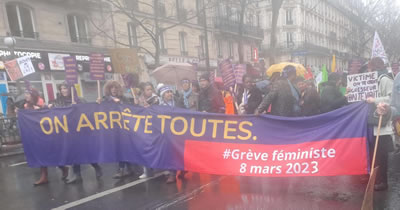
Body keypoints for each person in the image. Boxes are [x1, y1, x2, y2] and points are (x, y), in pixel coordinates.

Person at [50, 83, 103, 184]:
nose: (64, 90)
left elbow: (89, 111)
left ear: (71, 89)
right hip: (68, 132)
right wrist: (50, 107)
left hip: (80, 130)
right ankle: (77, 175)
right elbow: (56, 114)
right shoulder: (58, 102)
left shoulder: (80, 100)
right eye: (62, 89)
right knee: (74, 154)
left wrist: (96, 103)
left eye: (65, 88)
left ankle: (97, 167)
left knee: (86, 152)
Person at [21, 88, 69, 186]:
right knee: (40, 155)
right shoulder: (26, 106)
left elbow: (48, 114)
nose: (26, 96)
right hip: (35, 134)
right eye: (25, 94)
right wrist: (20, 112)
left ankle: (63, 168)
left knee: (51, 153)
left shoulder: (40, 103)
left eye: (27, 94)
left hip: (46, 134)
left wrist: (42, 108)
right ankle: (44, 176)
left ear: (32, 95)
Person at [365, 57, 394, 191]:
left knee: (381, 155)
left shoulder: (384, 79)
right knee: (375, 154)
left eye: (369, 68)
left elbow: (391, 98)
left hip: (382, 125)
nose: (368, 70)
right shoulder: (372, 80)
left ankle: (383, 181)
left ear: (374, 67)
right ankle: (377, 179)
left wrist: (374, 100)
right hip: (373, 124)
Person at [98, 81, 135, 179]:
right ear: (108, 89)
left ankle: (121, 169)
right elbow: (99, 110)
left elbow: (130, 109)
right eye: (112, 88)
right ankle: (129, 168)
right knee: (119, 147)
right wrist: (98, 103)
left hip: (123, 126)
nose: (114, 89)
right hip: (112, 127)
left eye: (115, 87)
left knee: (122, 147)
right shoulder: (105, 99)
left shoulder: (124, 99)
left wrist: (121, 103)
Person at [157, 84, 183, 183]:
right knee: (170, 153)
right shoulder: (159, 106)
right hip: (167, 132)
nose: (169, 94)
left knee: (180, 152)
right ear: (163, 95)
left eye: (170, 92)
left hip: (180, 130)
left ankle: (183, 169)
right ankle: (172, 173)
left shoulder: (178, 102)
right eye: (167, 92)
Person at [137, 82, 159, 179]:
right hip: (143, 126)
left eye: (151, 89)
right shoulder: (139, 99)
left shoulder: (156, 99)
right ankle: (146, 170)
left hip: (154, 126)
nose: (150, 91)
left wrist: (149, 107)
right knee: (144, 148)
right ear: (143, 91)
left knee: (156, 147)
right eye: (147, 89)